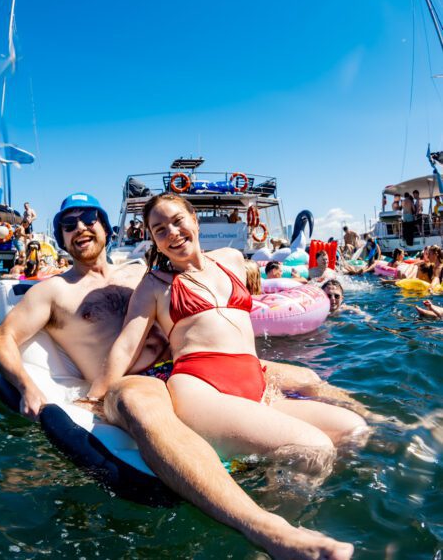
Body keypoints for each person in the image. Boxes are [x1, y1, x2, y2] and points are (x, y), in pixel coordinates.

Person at [0, 191, 365, 559]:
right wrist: (28, 387)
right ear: (61, 237)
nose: (80, 228)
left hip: (193, 368)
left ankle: (385, 432)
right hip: (137, 379)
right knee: (142, 404)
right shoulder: (54, 291)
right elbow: (2, 339)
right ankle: (266, 529)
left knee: (312, 384)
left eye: (89, 220)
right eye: (69, 225)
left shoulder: (140, 272)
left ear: (105, 228)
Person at [89, 193, 366, 475]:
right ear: (155, 240)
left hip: (255, 384)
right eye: (160, 230)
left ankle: (276, 483)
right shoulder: (154, 285)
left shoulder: (231, 259)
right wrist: (94, 399)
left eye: (177, 221)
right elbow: (126, 345)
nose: (172, 232)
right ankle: (284, 515)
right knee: (315, 450)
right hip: (201, 390)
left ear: (195, 221)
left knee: (354, 430)